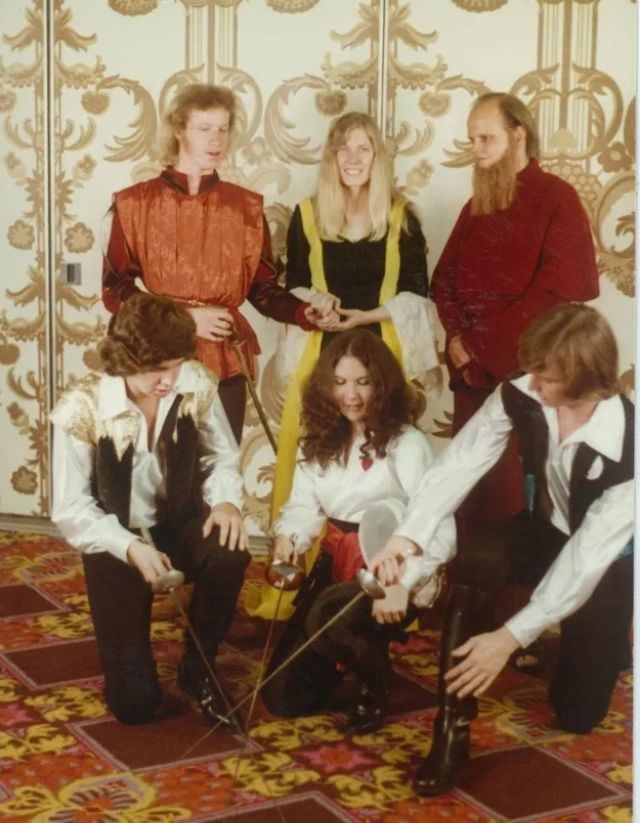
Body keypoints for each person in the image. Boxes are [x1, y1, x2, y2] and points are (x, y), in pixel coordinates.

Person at [372, 304, 633, 795]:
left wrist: (509, 638)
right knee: (475, 559)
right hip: (544, 529)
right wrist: (409, 537)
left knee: (578, 713)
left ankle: (609, 641)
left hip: (604, 562)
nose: (532, 383)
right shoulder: (523, 390)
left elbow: (584, 560)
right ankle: (452, 725)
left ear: (585, 382)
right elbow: (460, 465)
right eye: (533, 369)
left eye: (547, 378)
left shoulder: (630, 448)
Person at [247, 112, 439, 621]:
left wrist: (368, 315)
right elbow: (296, 288)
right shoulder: (308, 215)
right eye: (343, 150)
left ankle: (395, 575)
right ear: (331, 158)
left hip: (382, 353)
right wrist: (318, 310)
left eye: (364, 150)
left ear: (378, 158)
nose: (353, 159)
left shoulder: (401, 216)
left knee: (386, 463)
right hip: (322, 353)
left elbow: (418, 292)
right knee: (315, 458)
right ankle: (299, 578)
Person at [51, 293, 250, 727]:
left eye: (176, 364)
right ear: (123, 360)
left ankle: (199, 665)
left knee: (231, 549)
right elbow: (70, 507)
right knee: (135, 706)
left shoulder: (194, 382)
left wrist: (227, 500)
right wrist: (127, 547)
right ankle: (132, 674)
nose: (168, 380)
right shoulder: (81, 408)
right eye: (156, 369)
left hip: (176, 525)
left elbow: (221, 456)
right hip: (115, 543)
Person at [102, 83, 323, 444]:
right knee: (160, 471)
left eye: (223, 128)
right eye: (204, 128)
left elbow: (263, 290)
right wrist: (187, 317)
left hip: (224, 357)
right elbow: (115, 291)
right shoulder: (133, 204)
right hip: (155, 355)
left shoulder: (246, 208)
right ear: (178, 130)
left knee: (218, 470)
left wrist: (304, 314)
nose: (216, 139)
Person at [260, 329, 454, 732]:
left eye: (363, 382)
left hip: (393, 568)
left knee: (331, 616)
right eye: (341, 383)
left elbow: (439, 526)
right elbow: (302, 508)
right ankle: (352, 647)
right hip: (336, 564)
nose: (351, 395)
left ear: (382, 385)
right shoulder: (318, 441)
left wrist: (405, 580)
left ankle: (374, 683)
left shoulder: (407, 443)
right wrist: (289, 542)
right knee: (284, 697)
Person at [432, 92, 599, 531]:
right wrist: (456, 339)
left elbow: (555, 294)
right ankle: (467, 592)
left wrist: (476, 344)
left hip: (529, 374)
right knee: (467, 490)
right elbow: (443, 279)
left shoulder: (558, 199)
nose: (478, 151)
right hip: (470, 374)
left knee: (525, 504)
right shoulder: (477, 205)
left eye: (487, 139)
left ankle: (515, 599)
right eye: (472, 141)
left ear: (519, 134)